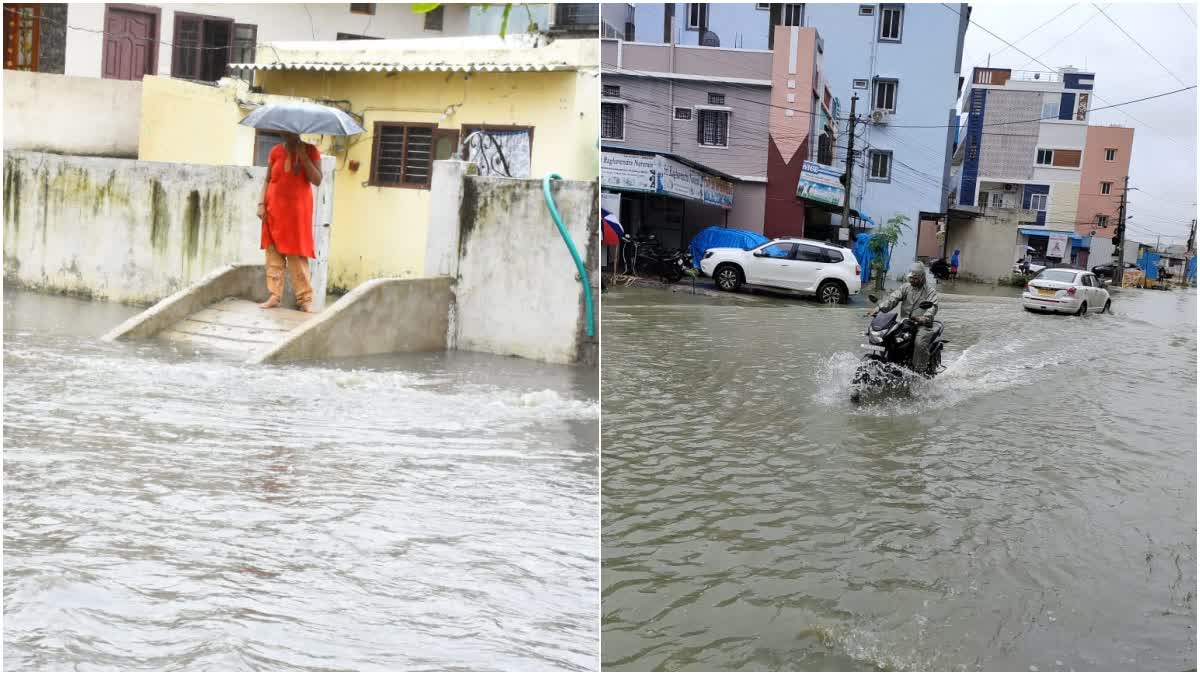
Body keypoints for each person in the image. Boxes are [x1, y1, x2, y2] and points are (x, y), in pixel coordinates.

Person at [258, 132, 322, 312]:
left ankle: (305, 300)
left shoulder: (311, 150)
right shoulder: (275, 151)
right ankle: (274, 296)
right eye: (283, 131)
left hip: (297, 214)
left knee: (297, 255)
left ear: (297, 131)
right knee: (273, 254)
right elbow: (268, 179)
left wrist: (303, 156)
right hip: (273, 210)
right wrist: (261, 203)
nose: (286, 134)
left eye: (290, 131)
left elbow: (317, 180)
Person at [870, 261, 939, 376]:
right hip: (905, 324)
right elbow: (893, 298)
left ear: (922, 278)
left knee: (919, 343)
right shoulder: (906, 287)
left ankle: (919, 373)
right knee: (887, 336)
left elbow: (933, 306)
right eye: (911, 278)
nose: (912, 280)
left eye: (915, 278)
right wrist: (878, 308)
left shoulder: (930, 292)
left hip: (922, 325)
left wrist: (924, 317)